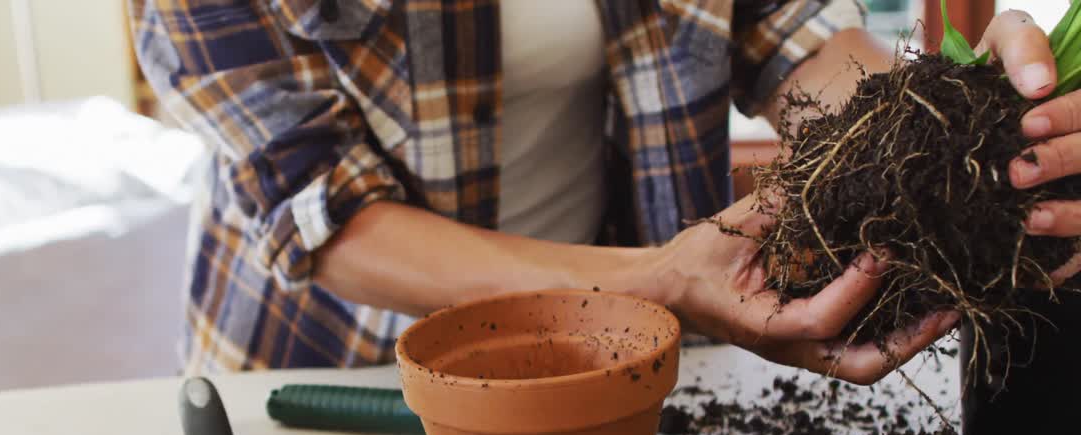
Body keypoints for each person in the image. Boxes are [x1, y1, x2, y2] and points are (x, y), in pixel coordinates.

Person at [128, 0, 1081, 384]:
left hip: (607, 356)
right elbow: (329, 216)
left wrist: (959, 129)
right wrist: (657, 279)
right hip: (342, 375)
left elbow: (793, 47)